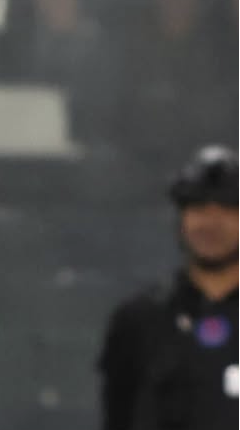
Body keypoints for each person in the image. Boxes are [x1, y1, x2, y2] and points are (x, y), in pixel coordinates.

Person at [98, 145, 240, 430]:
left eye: (227, 208)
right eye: (198, 208)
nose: (211, 222)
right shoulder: (139, 320)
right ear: (181, 222)